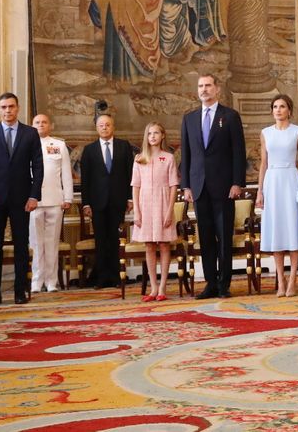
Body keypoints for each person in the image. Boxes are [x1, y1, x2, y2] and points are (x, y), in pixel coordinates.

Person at [180, 73, 247, 299]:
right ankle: (209, 282)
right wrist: (186, 186)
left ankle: (223, 284)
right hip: (199, 187)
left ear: (217, 89)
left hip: (225, 186)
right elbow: (186, 155)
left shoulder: (230, 116)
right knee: (206, 237)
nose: (204, 89)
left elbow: (239, 152)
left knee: (224, 237)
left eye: (208, 85)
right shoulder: (189, 119)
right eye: (200, 86)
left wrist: (237, 182)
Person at [0, 93, 42, 306]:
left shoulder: (30, 134)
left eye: (11, 106)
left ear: (18, 108)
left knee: (21, 246)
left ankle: (20, 292)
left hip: (22, 200)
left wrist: (34, 195)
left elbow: (38, 167)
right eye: (3, 107)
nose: (7, 110)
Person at [257, 93, 298, 297]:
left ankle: (293, 279)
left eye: (282, 106)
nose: (278, 110)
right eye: (275, 107)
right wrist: (259, 191)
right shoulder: (265, 133)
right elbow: (263, 163)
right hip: (272, 181)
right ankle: (280, 280)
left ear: (289, 110)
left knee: (292, 228)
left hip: (290, 179)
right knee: (277, 230)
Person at [79, 113, 134, 289]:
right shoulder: (89, 150)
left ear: (113, 127)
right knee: (101, 240)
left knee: (115, 239)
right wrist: (86, 203)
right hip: (97, 203)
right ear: (97, 128)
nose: (104, 128)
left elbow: (130, 174)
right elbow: (85, 180)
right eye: (101, 125)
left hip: (118, 201)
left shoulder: (124, 147)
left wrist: (130, 198)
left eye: (108, 125)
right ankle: (102, 278)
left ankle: (117, 277)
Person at [132, 122, 179, 302]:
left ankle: (163, 287)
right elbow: (135, 186)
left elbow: (174, 185)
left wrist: (169, 211)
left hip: (163, 202)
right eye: (150, 133)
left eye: (156, 133)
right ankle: (152, 287)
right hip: (145, 204)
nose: (152, 136)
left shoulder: (168, 158)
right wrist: (137, 211)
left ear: (162, 136)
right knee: (149, 245)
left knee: (164, 244)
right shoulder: (139, 158)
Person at [30, 114, 74, 293]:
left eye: (44, 122)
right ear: (32, 125)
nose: (41, 125)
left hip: (55, 200)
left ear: (51, 125)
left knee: (52, 243)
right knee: (36, 244)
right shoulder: (26, 144)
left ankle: (51, 282)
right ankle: (36, 281)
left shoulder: (59, 145)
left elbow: (66, 173)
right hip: (33, 202)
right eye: (37, 122)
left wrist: (68, 198)